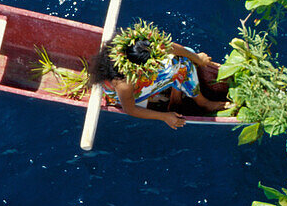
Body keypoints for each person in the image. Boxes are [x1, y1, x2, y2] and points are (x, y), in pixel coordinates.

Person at [88, 21, 229, 129]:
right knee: (180, 66)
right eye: (153, 65)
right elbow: (130, 109)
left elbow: (172, 48)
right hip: (131, 94)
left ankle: (185, 98)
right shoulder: (124, 84)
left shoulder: (141, 46)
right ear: (140, 69)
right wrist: (164, 117)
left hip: (137, 79)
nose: (157, 63)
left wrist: (198, 59)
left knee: (185, 57)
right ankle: (195, 102)